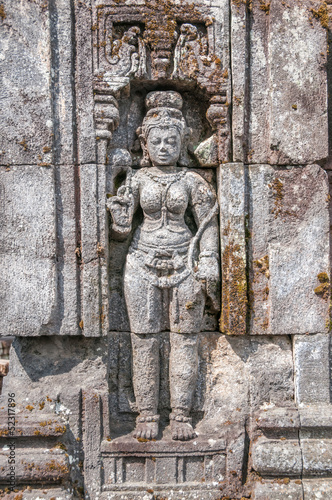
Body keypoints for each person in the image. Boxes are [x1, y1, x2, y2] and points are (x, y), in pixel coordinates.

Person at [107, 91, 219, 440]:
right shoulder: (137, 181)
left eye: (172, 139)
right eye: (157, 140)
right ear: (145, 142)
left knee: (185, 339)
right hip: (141, 261)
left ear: (184, 141)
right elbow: (123, 231)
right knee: (144, 340)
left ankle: (182, 415)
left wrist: (209, 259)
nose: (165, 146)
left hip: (184, 261)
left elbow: (209, 223)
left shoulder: (192, 181)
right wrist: (118, 216)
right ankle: (147, 414)